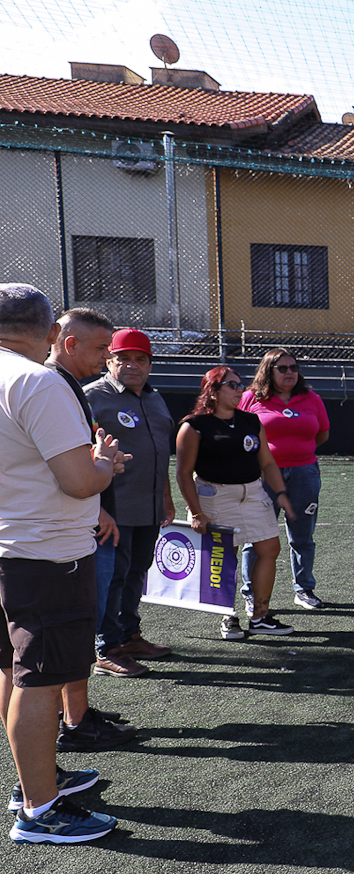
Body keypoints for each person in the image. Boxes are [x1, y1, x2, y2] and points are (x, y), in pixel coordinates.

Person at [1, 282, 122, 844]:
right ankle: (39, 807)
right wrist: (105, 463)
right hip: (45, 554)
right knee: (42, 680)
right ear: (52, 333)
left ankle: (32, 782)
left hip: (10, 549)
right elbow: (78, 482)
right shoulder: (36, 381)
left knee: (14, 670)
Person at [46, 309, 141, 752]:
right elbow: (75, 471)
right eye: (102, 348)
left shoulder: (63, 387)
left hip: (77, 522)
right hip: (56, 539)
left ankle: (76, 714)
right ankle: (72, 727)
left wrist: (98, 493)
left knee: (78, 629)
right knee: (65, 639)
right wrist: (103, 470)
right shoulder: (49, 386)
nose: (107, 357)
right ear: (68, 343)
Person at [175, 366, 297, 639]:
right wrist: (196, 512)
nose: (239, 390)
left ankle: (260, 617)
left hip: (253, 493)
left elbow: (266, 462)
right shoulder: (194, 425)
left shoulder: (250, 421)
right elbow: (183, 473)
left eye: (240, 385)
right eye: (232, 385)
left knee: (269, 548)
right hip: (216, 497)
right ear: (213, 391)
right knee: (224, 557)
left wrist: (281, 494)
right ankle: (227, 616)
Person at [86, 327, 176, 678]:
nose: (132, 365)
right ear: (109, 360)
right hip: (112, 510)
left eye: (140, 359)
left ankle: (130, 634)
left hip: (149, 507)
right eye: (123, 358)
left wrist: (167, 499)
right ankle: (107, 648)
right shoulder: (93, 396)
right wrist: (98, 508)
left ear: (150, 364)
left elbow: (160, 454)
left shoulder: (155, 398)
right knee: (113, 578)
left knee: (137, 573)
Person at [239, 348, 330, 611]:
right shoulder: (250, 399)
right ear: (268, 371)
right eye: (283, 368)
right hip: (262, 476)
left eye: (293, 367)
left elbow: (322, 434)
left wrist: (298, 452)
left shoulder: (311, 398)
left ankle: (303, 590)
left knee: (303, 536)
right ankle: (251, 594)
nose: (290, 372)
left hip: (305, 474)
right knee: (255, 537)